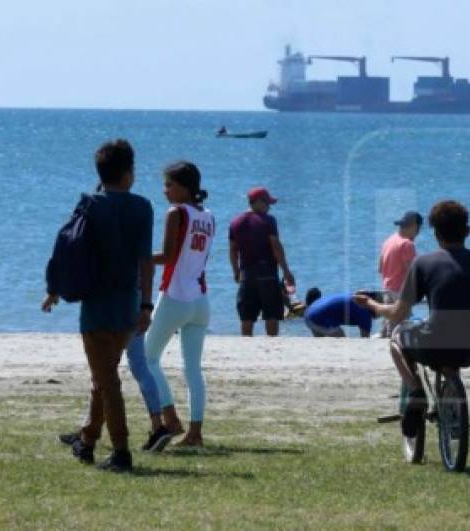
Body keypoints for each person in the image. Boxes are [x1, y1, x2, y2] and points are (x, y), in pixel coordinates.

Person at [41, 139, 154, 473]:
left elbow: (66, 249)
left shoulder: (89, 205)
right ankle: (87, 440)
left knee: (107, 380)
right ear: (129, 173)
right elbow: (146, 261)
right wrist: (147, 305)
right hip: (129, 306)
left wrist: (54, 289)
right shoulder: (143, 207)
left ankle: (121, 452)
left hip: (96, 308)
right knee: (102, 377)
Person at [355, 200, 470, 439]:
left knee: (397, 338)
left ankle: (415, 391)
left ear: (435, 233)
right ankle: (452, 412)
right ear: (468, 232)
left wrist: (373, 306)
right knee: (453, 345)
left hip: (434, 343)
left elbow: (399, 314)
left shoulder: (423, 264)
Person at [146, 162, 215, 449]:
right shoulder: (209, 216)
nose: (165, 190)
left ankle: (170, 417)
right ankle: (195, 433)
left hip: (176, 296)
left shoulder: (176, 212)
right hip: (200, 299)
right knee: (193, 369)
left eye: (169, 185)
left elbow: (167, 256)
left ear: (185, 187)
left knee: (147, 359)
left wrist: (136, 257)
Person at [229, 186, 295, 336]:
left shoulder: (235, 223)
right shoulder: (268, 221)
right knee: (271, 315)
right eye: (267, 203)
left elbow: (233, 250)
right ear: (258, 202)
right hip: (268, 275)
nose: (269, 207)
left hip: (246, 277)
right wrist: (286, 271)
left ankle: (246, 345)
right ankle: (271, 343)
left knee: (247, 317)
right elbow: (275, 246)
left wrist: (236, 271)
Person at [376, 211, 422, 337]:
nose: (418, 233)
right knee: (402, 327)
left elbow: (380, 268)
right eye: (418, 229)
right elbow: (413, 272)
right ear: (414, 227)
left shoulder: (388, 241)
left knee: (388, 327)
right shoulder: (407, 244)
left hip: (387, 289)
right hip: (401, 292)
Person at [302, 287, 375, 337]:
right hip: (319, 317)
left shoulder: (354, 299)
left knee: (321, 344)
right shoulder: (366, 314)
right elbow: (365, 340)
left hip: (307, 315)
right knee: (342, 340)